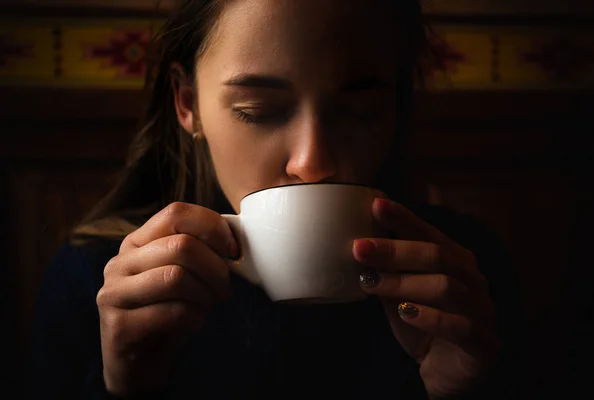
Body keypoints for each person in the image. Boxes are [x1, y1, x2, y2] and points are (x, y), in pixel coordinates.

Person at [29, 0, 523, 398]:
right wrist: (125, 386)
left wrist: (463, 389)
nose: (312, 162)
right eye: (258, 110)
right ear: (187, 103)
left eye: (359, 111)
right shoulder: (95, 280)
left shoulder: (464, 283)